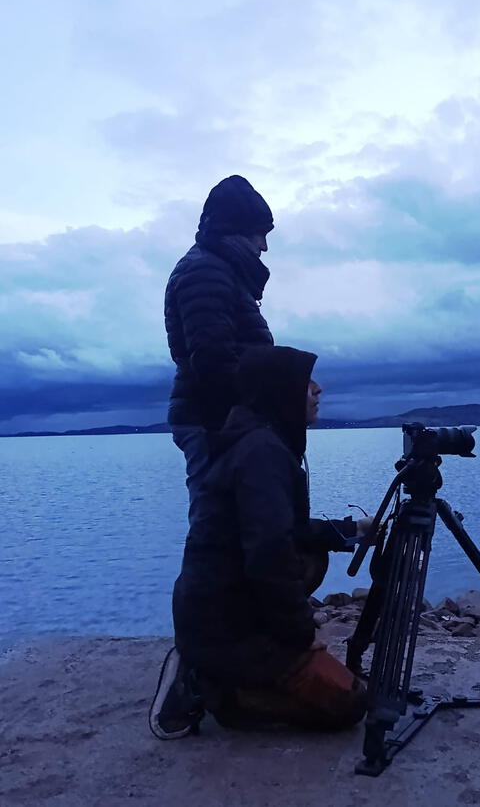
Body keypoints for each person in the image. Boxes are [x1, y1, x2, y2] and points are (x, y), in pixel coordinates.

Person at [149, 345, 372, 739]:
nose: (318, 390)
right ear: (279, 391)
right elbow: (269, 556)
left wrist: (352, 529)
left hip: (224, 609)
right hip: (221, 625)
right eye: (307, 382)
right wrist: (302, 636)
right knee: (348, 704)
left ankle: (233, 664)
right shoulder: (261, 454)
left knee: (309, 555)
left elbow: (292, 531)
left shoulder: (261, 442)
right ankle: (210, 686)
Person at [164, 175, 274, 527]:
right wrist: (246, 415)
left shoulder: (219, 270)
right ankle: (208, 585)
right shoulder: (205, 271)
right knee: (216, 525)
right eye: (261, 234)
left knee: (233, 521)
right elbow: (213, 361)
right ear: (236, 230)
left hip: (221, 422)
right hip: (214, 423)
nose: (265, 246)